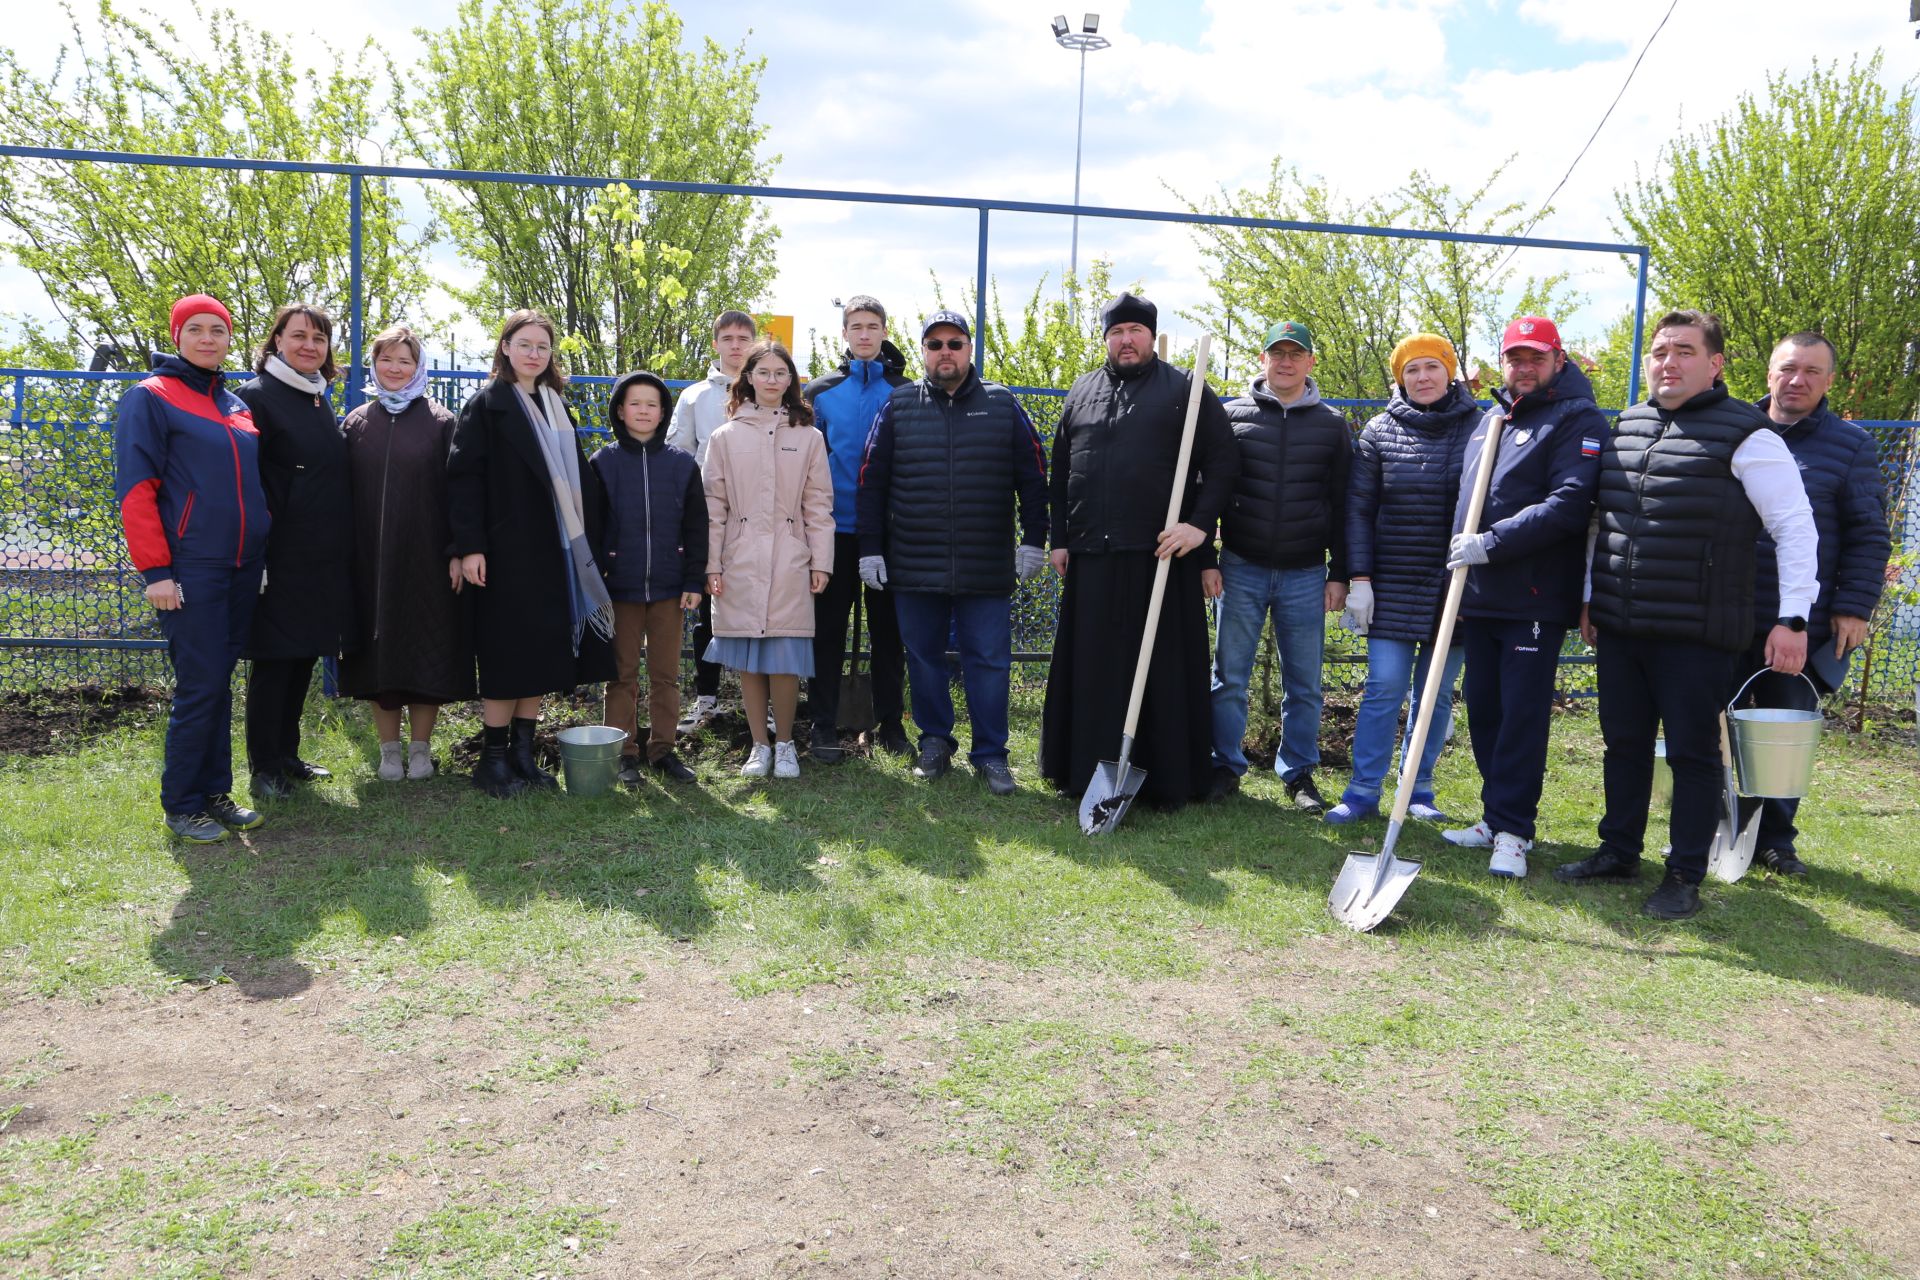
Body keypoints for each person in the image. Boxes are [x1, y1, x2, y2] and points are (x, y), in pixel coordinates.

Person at [1563, 310, 1817, 920]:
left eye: (1683, 351)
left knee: (1692, 755)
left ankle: (1683, 875)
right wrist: (1592, 598)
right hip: (1622, 626)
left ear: (1715, 364)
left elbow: (1794, 528)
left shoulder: (1750, 436)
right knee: (1622, 744)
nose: (1668, 363)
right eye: (1658, 352)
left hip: (1698, 634)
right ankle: (1619, 851)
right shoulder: (1626, 426)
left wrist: (1794, 618)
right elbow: (1606, 524)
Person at [1039, 292, 1239, 810]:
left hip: (1161, 556)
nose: (1126, 340)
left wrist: (1198, 527)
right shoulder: (1081, 392)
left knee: (1163, 672)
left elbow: (1224, 462)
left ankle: (1168, 776)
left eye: (1136, 330)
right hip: (1091, 556)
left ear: (1151, 336)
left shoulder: (1186, 391)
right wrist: (1060, 538)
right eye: (1116, 331)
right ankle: (1084, 767)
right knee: (1095, 668)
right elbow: (1060, 473)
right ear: (1106, 338)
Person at [855, 309, 1049, 793]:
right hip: (913, 564)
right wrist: (871, 549)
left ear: (969, 350)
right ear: (923, 352)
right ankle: (934, 742)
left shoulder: (1004, 405)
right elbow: (870, 484)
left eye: (955, 343)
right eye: (935, 344)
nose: (946, 352)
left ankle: (992, 754)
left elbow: (1034, 478)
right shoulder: (898, 406)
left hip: (986, 564)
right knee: (922, 657)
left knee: (988, 660)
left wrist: (1034, 541)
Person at [1438, 317, 1603, 877]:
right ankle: (1494, 815)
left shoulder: (1576, 419)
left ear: (1559, 360)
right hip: (1480, 593)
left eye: (1535, 358)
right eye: (1514, 358)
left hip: (1532, 596)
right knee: (1484, 710)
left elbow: (1570, 501)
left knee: (1521, 718)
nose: (1523, 368)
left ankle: (1514, 830)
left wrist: (1492, 542)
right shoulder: (1492, 419)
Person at [1729, 331, 1889, 876]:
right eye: (1788, 369)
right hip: (1723, 611)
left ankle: (1775, 839)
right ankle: (1718, 827)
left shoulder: (1850, 447)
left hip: (1802, 620)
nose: (1797, 381)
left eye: (1812, 372)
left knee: (1781, 731)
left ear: (1829, 380)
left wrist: (1855, 606)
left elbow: (1869, 535)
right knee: (1712, 725)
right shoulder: (1734, 429)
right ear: (1769, 372)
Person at [115, 294, 272, 841]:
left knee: (218, 683)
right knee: (199, 685)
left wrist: (262, 550)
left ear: (230, 339)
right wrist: (156, 571)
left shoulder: (235, 404)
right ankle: (181, 803)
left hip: (243, 566)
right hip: (190, 567)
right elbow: (137, 490)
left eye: (218, 330)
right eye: (196, 329)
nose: (208, 338)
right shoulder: (150, 397)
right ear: (177, 335)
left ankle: (213, 792)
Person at [448, 310, 616, 797]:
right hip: (505, 553)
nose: (534, 354)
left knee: (541, 652)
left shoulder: (554, 404)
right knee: (506, 654)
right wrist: (470, 547)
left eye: (543, 347)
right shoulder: (485, 406)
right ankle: (492, 760)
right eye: (525, 344)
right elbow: (463, 481)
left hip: (554, 555)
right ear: (505, 348)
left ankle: (522, 756)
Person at [1326, 334, 1479, 825]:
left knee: (1433, 694)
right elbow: (1358, 510)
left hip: (1451, 586)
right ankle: (1363, 790)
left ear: (1449, 372)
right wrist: (1360, 578)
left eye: (1432, 367)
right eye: (1412, 370)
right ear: (1400, 378)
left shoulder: (1480, 428)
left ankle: (1418, 787)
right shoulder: (1378, 431)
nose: (1423, 377)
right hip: (1391, 582)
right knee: (1384, 687)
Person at [1209, 319, 1352, 811]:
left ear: (1311, 362)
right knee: (1229, 677)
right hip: (1241, 566)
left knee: (1305, 683)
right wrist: (1208, 559)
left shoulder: (1332, 426)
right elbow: (1209, 494)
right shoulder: (1232, 416)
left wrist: (1339, 573)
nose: (1286, 362)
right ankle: (1224, 766)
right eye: (1277, 353)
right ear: (1263, 358)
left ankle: (1299, 775)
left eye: (1296, 353)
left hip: (1306, 573)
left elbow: (1343, 505)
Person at [337, 325, 474, 780]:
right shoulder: (356, 422)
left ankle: (420, 749)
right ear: (373, 364)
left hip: (428, 559)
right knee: (380, 654)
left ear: (419, 368)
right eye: (387, 359)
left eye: (405, 361)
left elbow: (459, 493)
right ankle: (388, 750)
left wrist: (457, 550)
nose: (395, 369)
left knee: (425, 647)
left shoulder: (441, 422)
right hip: (370, 562)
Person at [237, 304, 354, 799]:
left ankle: (287, 754)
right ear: (277, 340)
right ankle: (263, 768)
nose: (310, 345)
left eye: (319, 339)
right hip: (277, 554)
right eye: (299, 335)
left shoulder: (316, 397)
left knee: (302, 656)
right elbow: (248, 479)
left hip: (318, 555)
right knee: (274, 661)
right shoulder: (255, 396)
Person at [701, 341, 834, 779]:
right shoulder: (725, 436)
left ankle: (786, 744)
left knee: (785, 654)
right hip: (739, 559)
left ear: (791, 381)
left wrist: (821, 562)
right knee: (748, 655)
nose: (772, 380)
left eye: (781, 373)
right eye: (764, 372)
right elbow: (712, 504)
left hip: (790, 557)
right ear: (749, 378)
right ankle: (758, 746)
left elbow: (819, 504)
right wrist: (712, 563)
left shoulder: (809, 436)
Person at [802, 295, 911, 762]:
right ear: (844, 334)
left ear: (885, 331)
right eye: (856, 327)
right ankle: (822, 723)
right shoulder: (819, 394)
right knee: (825, 631)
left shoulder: (907, 391)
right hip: (835, 531)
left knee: (890, 634)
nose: (864, 334)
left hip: (889, 534)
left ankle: (891, 723)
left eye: (873, 326)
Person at [590, 371, 707, 785]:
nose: (643, 411)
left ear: (663, 413)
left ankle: (663, 750)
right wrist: (597, 577)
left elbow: (696, 527)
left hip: (670, 588)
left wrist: (694, 580)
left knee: (665, 675)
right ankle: (623, 751)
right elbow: (593, 527)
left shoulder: (681, 464)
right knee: (621, 675)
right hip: (617, 586)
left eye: (652, 404)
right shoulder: (603, 463)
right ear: (620, 410)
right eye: (635, 403)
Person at [667, 309, 757, 730]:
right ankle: (706, 699)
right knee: (708, 609)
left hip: (759, 518)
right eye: (729, 338)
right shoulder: (695, 397)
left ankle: (762, 704)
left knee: (761, 608)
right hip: (707, 517)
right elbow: (679, 454)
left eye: (744, 338)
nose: (736, 346)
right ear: (716, 343)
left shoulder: (768, 389)